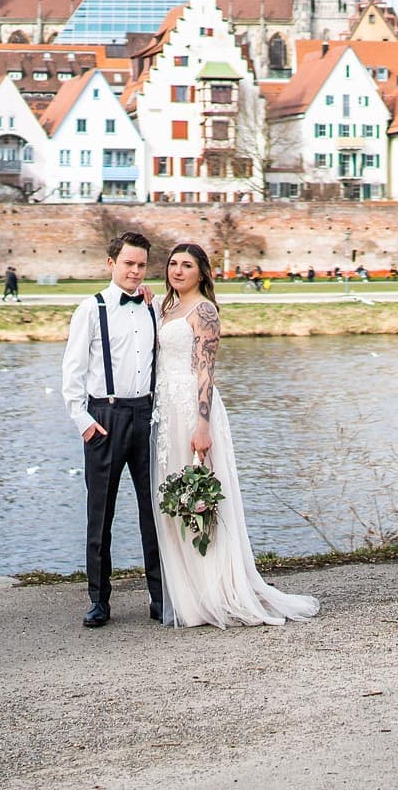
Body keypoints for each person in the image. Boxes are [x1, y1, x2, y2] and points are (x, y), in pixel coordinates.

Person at [151, 242, 320, 628]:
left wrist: (202, 424)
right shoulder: (165, 308)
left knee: (201, 503)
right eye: (173, 264)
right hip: (166, 412)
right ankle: (189, 597)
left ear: (202, 273)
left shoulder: (204, 310)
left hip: (193, 410)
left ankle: (217, 592)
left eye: (187, 265)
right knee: (177, 502)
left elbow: (206, 370)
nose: (178, 271)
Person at [61, 232, 163, 629]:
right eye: (129, 264)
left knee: (153, 512)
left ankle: (160, 597)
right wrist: (84, 423)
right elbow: (72, 370)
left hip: (146, 417)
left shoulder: (153, 307)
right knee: (100, 514)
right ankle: (98, 600)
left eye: (141, 265)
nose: (136, 272)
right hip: (105, 418)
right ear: (111, 264)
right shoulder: (91, 309)